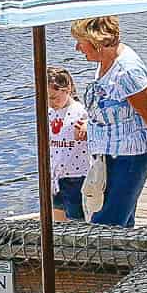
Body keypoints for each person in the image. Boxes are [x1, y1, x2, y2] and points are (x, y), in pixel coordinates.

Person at [71, 15, 147, 226]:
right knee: (120, 224)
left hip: (129, 159)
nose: (77, 48)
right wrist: (90, 125)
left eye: (80, 42)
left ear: (97, 43)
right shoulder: (105, 60)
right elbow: (110, 107)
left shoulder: (127, 72)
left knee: (106, 227)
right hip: (108, 155)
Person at [46, 67, 92, 221]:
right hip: (54, 176)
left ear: (68, 89)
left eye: (54, 97)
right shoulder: (49, 112)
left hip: (76, 177)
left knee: (76, 221)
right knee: (57, 218)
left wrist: (88, 127)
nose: (50, 103)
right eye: (46, 98)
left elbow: (96, 131)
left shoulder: (80, 112)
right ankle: (59, 243)